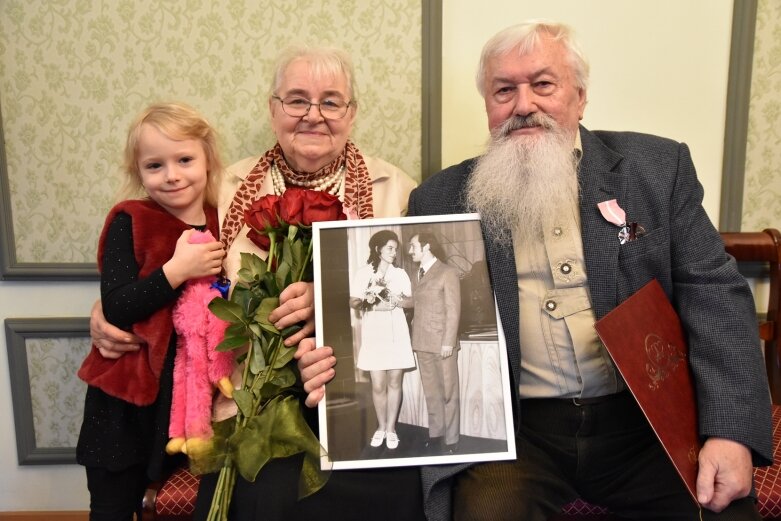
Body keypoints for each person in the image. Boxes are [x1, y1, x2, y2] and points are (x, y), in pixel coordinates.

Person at [299, 20, 773, 521]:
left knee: (723, 512)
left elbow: (716, 294)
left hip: (645, 426)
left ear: (580, 97)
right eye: (504, 90)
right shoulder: (439, 198)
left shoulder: (655, 168)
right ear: (488, 105)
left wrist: (730, 432)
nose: (523, 105)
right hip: (521, 435)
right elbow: (415, 307)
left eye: (542, 84)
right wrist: (336, 350)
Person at [89, 46, 425, 521]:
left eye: (331, 102)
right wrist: (104, 310)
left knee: (392, 492)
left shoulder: (399, 190)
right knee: (265, 498)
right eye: (296, 101)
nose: (314, 115)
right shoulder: (221, 186)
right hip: (247, 400)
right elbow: (158, 260)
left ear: (351, 114)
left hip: (359, 394)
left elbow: (418, 298)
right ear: (273, 110)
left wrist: (329, 299)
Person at [76, 102, 227, 521]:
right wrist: (176, 271)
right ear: (138, 171)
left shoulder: (224, 219)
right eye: (155, 165)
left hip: (188, 403)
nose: (172, 175)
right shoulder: (131, 220)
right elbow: (118, 305)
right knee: (113, 507)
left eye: (184, 160)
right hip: (124, 404)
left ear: (208, 160)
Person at [349, 229, 414, 450]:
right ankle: (380, 427)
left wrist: (399, 302)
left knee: (395, 381)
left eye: (396, 249)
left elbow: (411, 301)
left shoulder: (400, 274)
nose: (394, 253)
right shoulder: (363, 273)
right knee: (378, 385)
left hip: (396, 331)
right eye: (390, 248)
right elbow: (354, 302)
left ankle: (391, 429)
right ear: (378, 249)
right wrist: (371, 303)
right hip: (375, 333)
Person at [407, 232, 461, 454]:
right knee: (432, 393)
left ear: (427, 246)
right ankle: (437, 435)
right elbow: (419, 302)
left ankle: (452, 440)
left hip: (442, 344)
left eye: (413, 246)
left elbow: (454, 309)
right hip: (422, 343)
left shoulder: (447, 272)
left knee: (449, 392)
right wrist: (394, 300)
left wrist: (448, 341)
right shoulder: (420, 274)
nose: (410, 251)